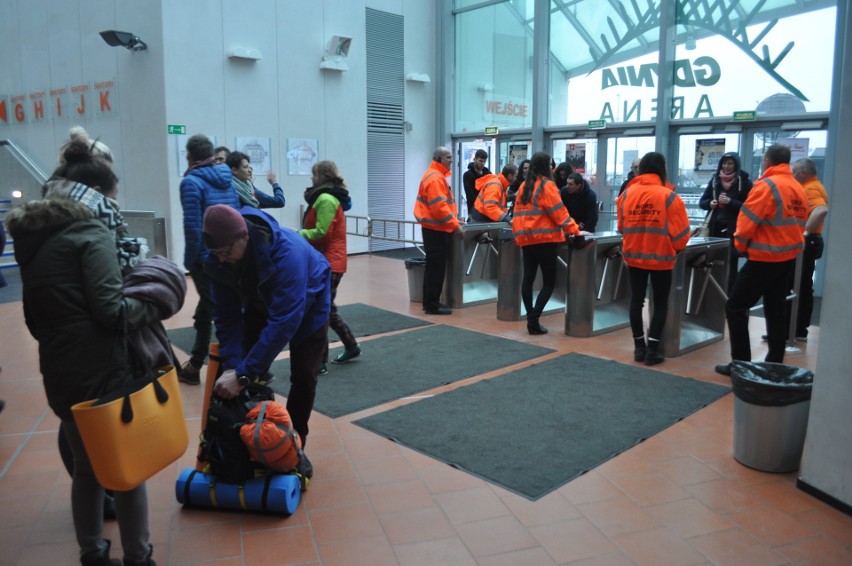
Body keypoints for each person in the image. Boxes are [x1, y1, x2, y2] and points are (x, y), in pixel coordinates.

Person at [6, 151, 162, 566]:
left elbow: (33, 320)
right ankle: (138, 557)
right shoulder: (90, 235)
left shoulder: (36, 239)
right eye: (112, 199)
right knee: (127, 472)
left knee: (88, 470)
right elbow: (114, 312)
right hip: (104, 373)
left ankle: (92, 554)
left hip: (60, 373)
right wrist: (157, 304)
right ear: (94, 196)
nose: (115, 207)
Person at [202, 205, 330, 453]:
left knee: (303, 375)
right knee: (243, 361)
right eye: (216, 253)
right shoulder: (220, 258)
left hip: (310, 300)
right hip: (261, 300)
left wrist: (242, 375)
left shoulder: (286, 254)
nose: (220, 259)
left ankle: (293, 445)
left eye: (226, 252)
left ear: (244, 236)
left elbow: (284, 322)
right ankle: (249, 435)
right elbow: (227, 317)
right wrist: (234, 366)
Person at [714, 144, 808, 376]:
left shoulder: (766, 186)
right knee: (775, 310)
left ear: (767, 161)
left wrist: (741, 247)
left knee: (735, 307)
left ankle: (741, 364)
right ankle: (774, 361)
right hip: (787, 258)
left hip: (763, 258)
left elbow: (747, 222)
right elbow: (800, 222)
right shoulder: (798, 187)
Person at [617, 152, 690, 365]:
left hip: (634, 257)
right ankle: (653, 351)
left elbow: (621, 226)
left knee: (636, 301)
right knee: (660, 303)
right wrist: (675, 249)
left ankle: (639, 347)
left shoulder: (627, 194)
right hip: (661, 259)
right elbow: (681, 234)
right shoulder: (669, 197)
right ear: (661, 169)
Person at [178, 134, 239, 385]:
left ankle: (234, 367)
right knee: (208, 308)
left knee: (217, 309)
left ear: (190, 156)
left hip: (206, 257)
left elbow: (193, 227)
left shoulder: (191, 182)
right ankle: (194, 365)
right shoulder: (226, 176)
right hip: (230, 252)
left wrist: (190, 261)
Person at [512, 151, 584, 335]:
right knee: (549, 282)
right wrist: (575, 230)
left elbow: (517, 214)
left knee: (527, 279)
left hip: (526, 239)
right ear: (548, 166)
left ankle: (530, 317)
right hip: (545, 240)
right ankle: (534, 319)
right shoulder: (547, 186)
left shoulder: (523, 187)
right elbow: (559, 213)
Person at [299, 161, 360, 373]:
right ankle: (351, 346)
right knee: (326, 309)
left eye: (313, 174)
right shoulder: (329, 197)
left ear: (321, 176)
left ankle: (320, 361)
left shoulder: (325, 199)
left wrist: (297, 234)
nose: (311, 178)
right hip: (330, 262)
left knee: (320, 312)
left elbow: (321, 232)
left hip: (328, 263)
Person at [414, 147, 463, 315]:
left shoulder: (436, 175)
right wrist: (455, 225)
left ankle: (430, 301)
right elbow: (439, 207)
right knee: (436, 267)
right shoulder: (435, 178)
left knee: (433, 266)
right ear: (439, 159)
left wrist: (455, 220)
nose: (451, 160)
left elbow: (442, 206)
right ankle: (432, 304)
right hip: (437, 229)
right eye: (448, 157)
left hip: (435, 228)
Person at [698, 152, 753, 293]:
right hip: (714, 230)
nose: (726, 166)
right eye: (724, 163)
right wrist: (710, 203)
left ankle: (728, 297)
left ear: (736, 165)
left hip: (734, 231)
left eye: (730, 163)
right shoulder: (715, 180)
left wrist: (731, 202)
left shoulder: (745, 182)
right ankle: (712, 296)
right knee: (713, 263)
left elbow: (750, 208)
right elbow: (702, 202)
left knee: (730, 265)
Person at [788, 157, 828, 341]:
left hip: (808, 242)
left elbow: (821, 210)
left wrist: (805, 233)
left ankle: (796, 329)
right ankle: (796, 329)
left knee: (798, 285)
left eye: (794, 170)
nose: (792, 173)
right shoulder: (811, 186)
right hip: (810, 241)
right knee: (802, 285)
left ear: (803, 172)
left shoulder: (811, 188)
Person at [462, 149, 490, 219]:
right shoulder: (468, 175)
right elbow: (470, 195)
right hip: (474, 210)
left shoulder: (488, 174)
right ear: (474, 159)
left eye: (484, 161)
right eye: (480, 161)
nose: (482, 163)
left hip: (487, 209)